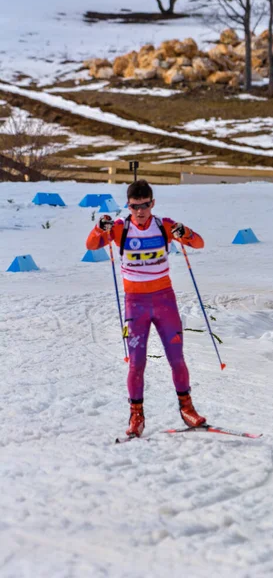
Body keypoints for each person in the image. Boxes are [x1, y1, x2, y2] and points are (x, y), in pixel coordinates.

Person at [86, 179, 206, 437]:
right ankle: (136, 416)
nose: (140, 211)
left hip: (164, 301)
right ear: (128, 206)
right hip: (135, 305)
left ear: (152, 203)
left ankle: (187, 409)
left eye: (145, 205)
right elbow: (92, 245)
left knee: (177, 358)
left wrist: (184, 232)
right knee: (136, 363)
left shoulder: (164, 225)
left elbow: (198, 244)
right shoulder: (121, 228)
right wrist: (99, 229)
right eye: (134, 206)